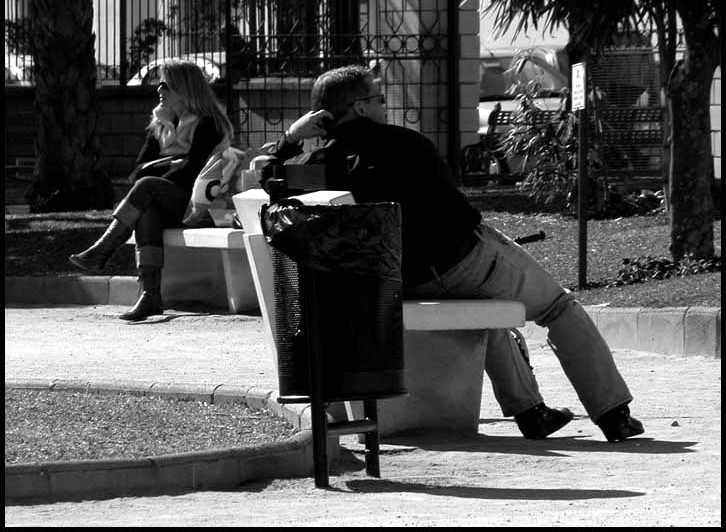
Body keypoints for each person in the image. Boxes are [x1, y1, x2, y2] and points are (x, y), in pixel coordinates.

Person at [263, 64, 644, 443]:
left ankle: (531, 411)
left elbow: (267, 179)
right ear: (360, 108)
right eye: (378, 98)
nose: (384, 105)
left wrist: (291, 138)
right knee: (558, 308)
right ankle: (613, 414)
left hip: (401, 283)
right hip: (465, 260)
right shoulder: (406, 143)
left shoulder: (322, 167)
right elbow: (454, 208)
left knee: (482, 310)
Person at [69, 59, 234, 322]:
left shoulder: (209, 123)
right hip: (170, 201)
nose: (158, 89)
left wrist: (161, 171)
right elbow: (138, 170)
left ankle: (104, 250)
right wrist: (172, 164)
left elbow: (191, 173)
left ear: (184, 88)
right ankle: (150, 295)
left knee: (147, 188)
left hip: (202, 205)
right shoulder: (160, 123)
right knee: (148, 212)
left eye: (165, 84)